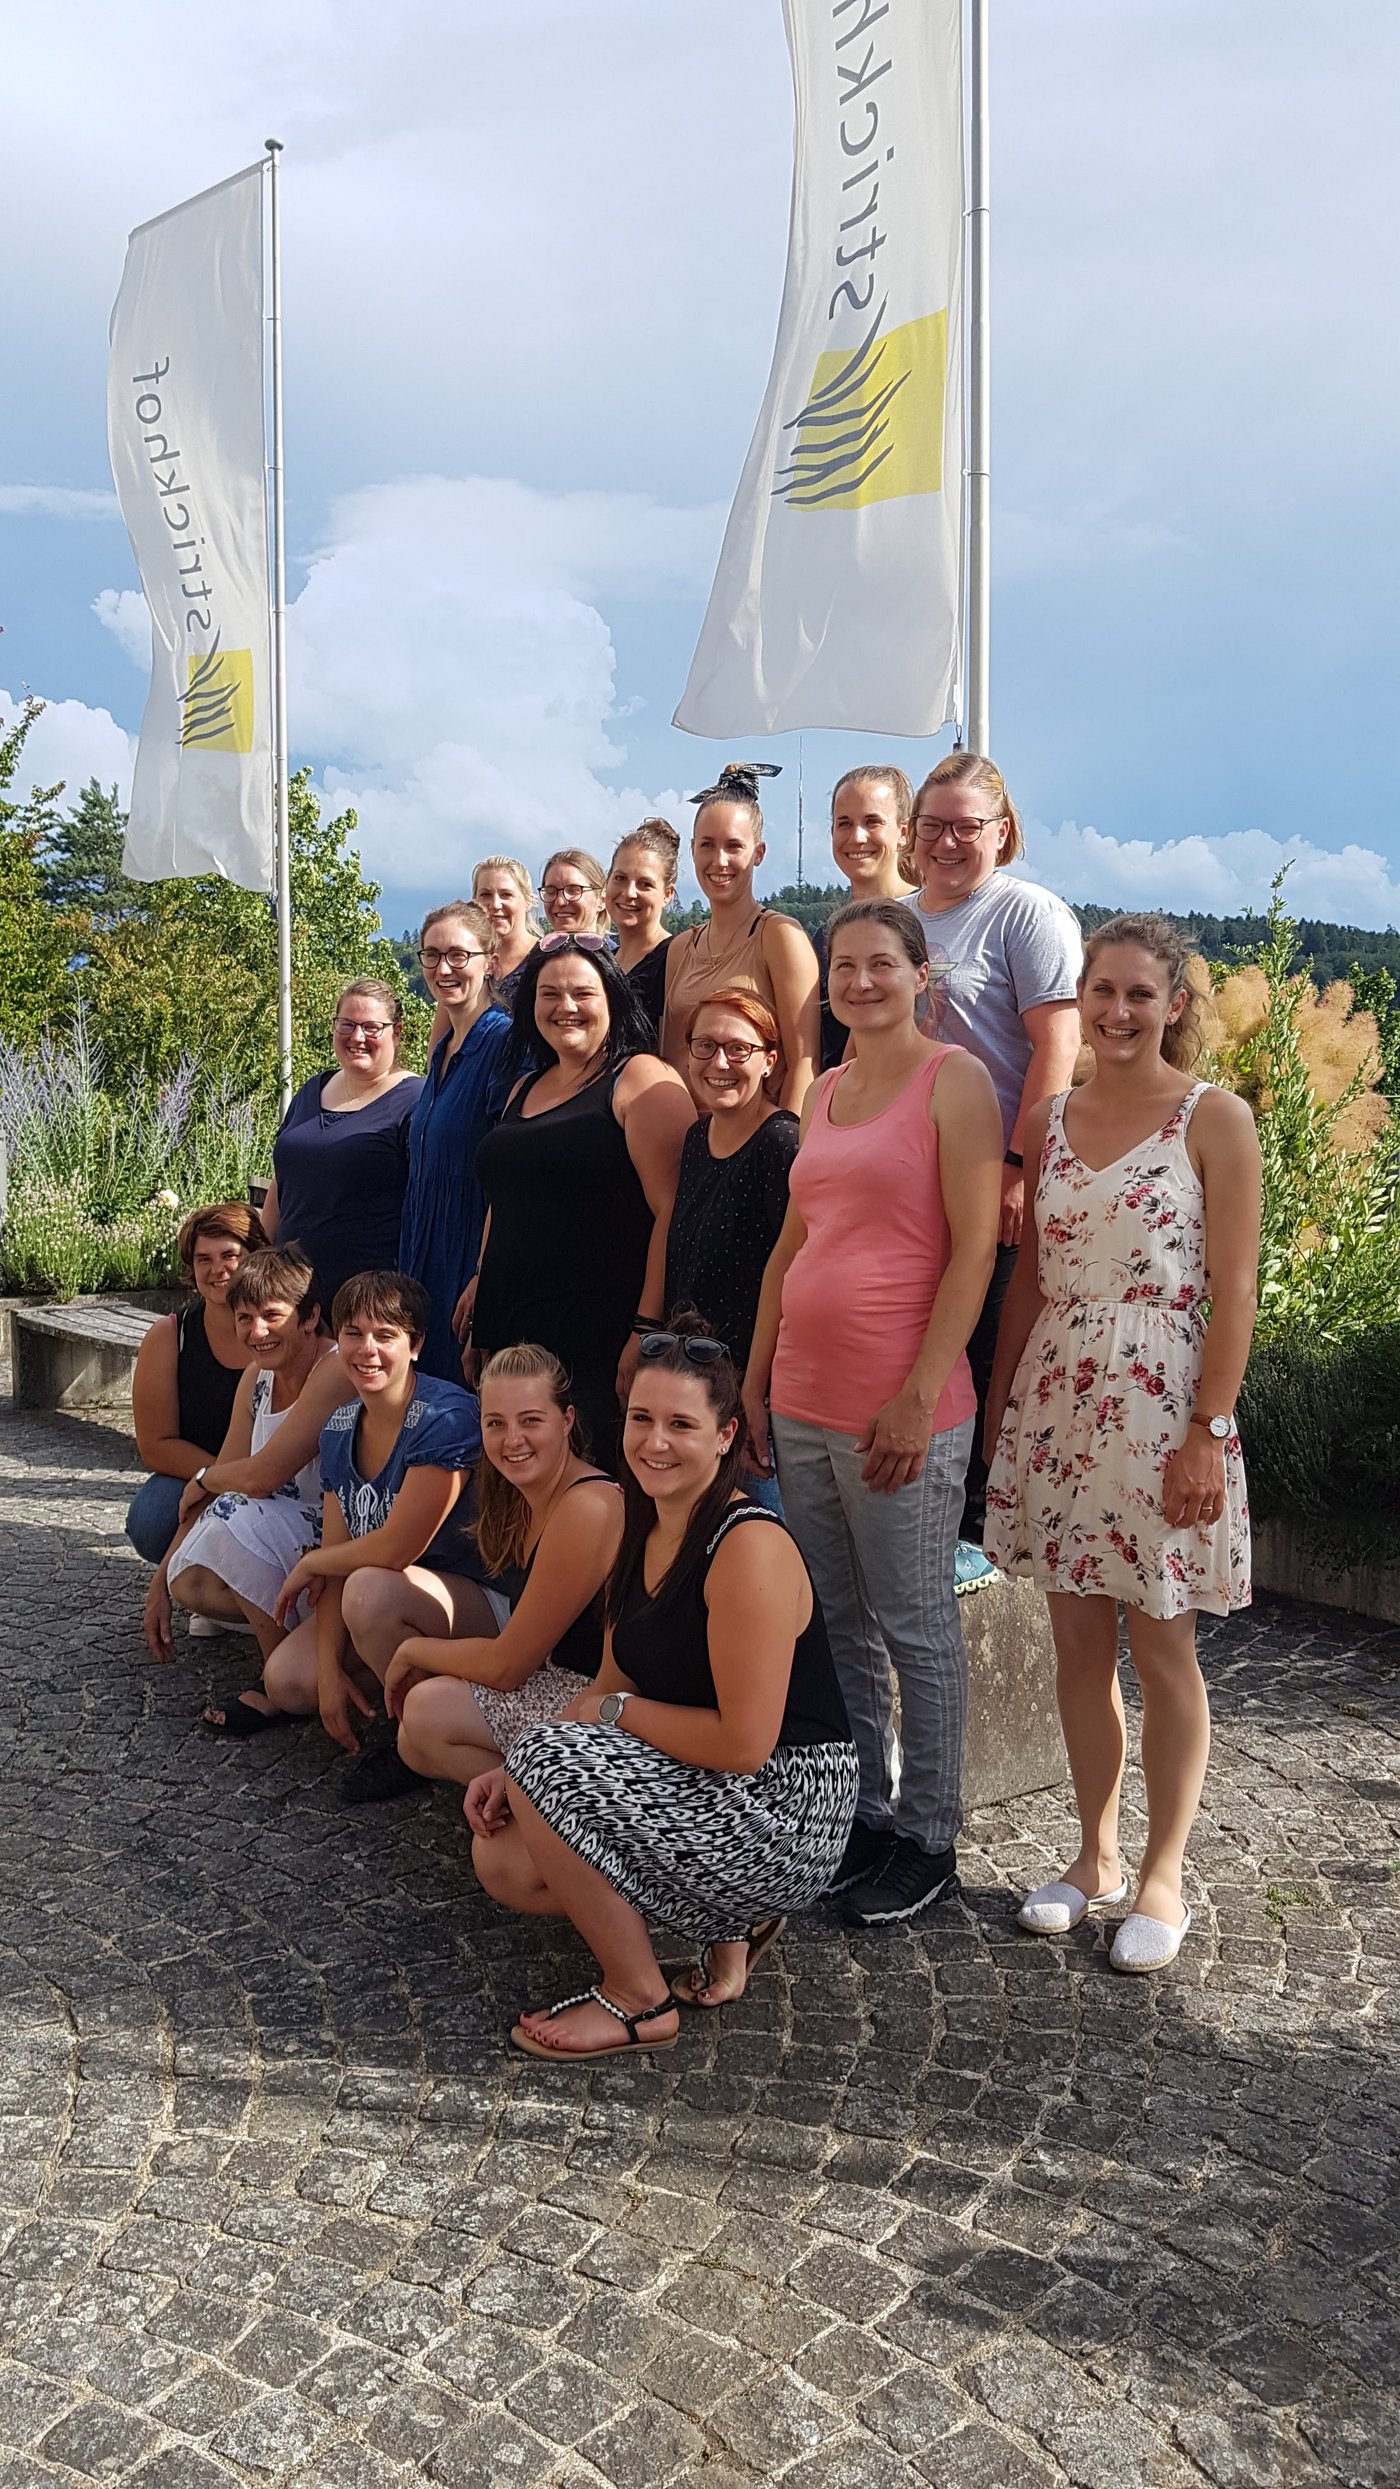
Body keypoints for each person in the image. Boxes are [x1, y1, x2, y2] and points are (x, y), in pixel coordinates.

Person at [984, 914, 1259, 1975]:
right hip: (1058, 1402)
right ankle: (1090, 1852)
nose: (1115, 1011)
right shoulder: (1047, 1120)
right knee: (1075, 1643)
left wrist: (1207, 1430)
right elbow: (1029, 1280)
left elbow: (1232, 1289)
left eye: (1139, 993)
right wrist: (1001, 1413)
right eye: (1100, 990)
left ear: (1173, 1002)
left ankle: (1161, 1872)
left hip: (1164, 1412)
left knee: (1162, 1646)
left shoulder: (1211, 1117)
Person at [467, 1319, 858, 2062]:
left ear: (725, 1434)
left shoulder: (748, 1545)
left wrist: (596, 1726)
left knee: (546, 1758)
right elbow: (611, 1679)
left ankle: (637, 1996)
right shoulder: (642, 1528)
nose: (655, 1441)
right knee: (504, 1858)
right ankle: (729, 1921)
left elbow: (742, 1744)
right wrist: (513, 1772)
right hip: (709, 1778)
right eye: (642, 1419)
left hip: (788, 1807)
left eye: (682, 1423)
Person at [744, 902, 1003, 1928]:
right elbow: (787, 1247)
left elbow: (974, 1249)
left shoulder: (956, 1082)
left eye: (878, 963)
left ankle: (928, 1835)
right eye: (842, 965)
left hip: (904, 1405)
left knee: (912, 1622)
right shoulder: (827, 1090)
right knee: (836, 1619)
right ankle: (864, 1811)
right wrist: (761, 1376)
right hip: (803, 1397)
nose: (857, 981)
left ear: (918, 973)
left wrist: (914, 1392)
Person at [903, 754, 1083, 1584]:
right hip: (911, 1177)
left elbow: (1058, 1042)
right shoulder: (900, 920)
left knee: (980, 1347)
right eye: (931, 825)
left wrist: (1018, 1164)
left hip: (992, 1172)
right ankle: (920, 1511)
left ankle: (971, 1526)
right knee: (916, 1336)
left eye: (964, 826)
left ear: (1001, 832)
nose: (946, 841)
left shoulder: (1024, 913)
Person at [212, 1272, 486, 1749]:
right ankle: (393, 1695)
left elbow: (397, 1547)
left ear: (416, 1344)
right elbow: (339, 1554)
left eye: (385, 1336)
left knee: (367, 1590)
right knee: (287, 1681)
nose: (367, 1350)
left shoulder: (445, 1417)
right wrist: (326, 1675)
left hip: (471, 1599)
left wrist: (313, 1561)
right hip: (386, 1596)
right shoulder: (340, 1425)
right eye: (353, 1334)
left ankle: (420, 1734)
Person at [467, 936, 694, 1468]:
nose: (565, 1007)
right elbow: (506, 1196)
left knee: (592, 1487)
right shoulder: (523, 1085)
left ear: (611, 999)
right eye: (549, 994)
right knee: (519, 1485)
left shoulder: (641, 1080)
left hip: (595, 1337)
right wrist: (482, 1288)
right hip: (512, 1330)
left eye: (581, 993)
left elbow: (673, 1213)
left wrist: (646, 1329)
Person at [363, 1343, 625, 1791]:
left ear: (567, 1420)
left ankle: (536, 1808)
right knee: (415, 1738)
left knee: (425, 1714)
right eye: (495, 1424)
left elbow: (510, 1666)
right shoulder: (521, 1492)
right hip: (556, 1676)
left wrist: (412, 1652)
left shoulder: (587, 1506)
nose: (512, 1440)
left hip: (602, 1701)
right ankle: (526, 1799)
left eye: (531, 1421)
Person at [163, 1249, 341, 1668]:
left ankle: (277, 1664)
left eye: (271, 1316)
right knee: (188, 1582)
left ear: (310, 1317)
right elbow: (229, 1468)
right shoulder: (257, 1376)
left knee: (234, 1510)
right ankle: (290, 1634)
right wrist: (158, 1585)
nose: (257, 1331)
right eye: (245, 1318)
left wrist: (204, 1480)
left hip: (334, 1536)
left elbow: (261, 1477)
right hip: (278, 1528)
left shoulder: (334, 1369)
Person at [661, 763, 819, 1113]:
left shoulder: (779, 936)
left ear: (758, 853)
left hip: (758, 1140)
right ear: (692, 850)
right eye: (707, 845)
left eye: (734, 846)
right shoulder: (680, 948)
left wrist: (788, 1153)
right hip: (690, 1141)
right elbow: (672, 1060)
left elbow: (803, 1064)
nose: (720, 860)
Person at [398, 901, 511, 1382]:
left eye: (459, 955)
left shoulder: (504, 1042)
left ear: (491, 962)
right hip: (421, 1261)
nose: (444, 968)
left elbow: (511, 1173)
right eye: (432, 955)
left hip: (465, 1265)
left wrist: (483, 1275)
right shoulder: (442, 1049)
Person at [262, 981, 422, 1319]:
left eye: (371, 1027)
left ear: (397, 1033)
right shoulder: (310, 1090)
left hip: (364, 1305)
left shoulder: (416, 1101)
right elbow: (283, 1182)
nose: (357, 1037)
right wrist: (262, 1261)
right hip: (292, 1298)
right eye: (346, 1025)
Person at [126, 1200, 266, 1576]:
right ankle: (197, 1575)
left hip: (274, 1473)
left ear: (254, 1257)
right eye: (203, 1259)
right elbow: (156, 1445)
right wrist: (222, 1477)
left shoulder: (279, 1331)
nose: (217, 1270)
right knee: (151, 1518)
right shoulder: (171, 1336)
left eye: (229, 1255)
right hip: (202, 1470)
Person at [665, 990, 798, 1381]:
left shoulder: (782, 1143)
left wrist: (754, 1384)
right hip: (688, 1366)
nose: (719, 1062)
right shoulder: (695, 1137)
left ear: (769, 1062)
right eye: (705, 1046)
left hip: (748, 1375)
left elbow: (791, 1272)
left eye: (739, 1049)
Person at [815, 766, 918, 1069]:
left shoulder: (928, 921)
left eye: (872, 822)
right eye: (844, 823)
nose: (857, 837)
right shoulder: (826, 936)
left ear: (903, 832)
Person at [606, 820, 679, 1042]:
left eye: (645, 884)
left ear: (667, 894)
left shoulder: (676, 961)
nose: (629, 893)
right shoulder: (601, 962)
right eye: (620, 878)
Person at [472, 854, 542, 1005]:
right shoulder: (467, 961)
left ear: (528, 901)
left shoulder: (547, 960)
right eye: (485, 895)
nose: (495, 904)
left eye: (506, 895)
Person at [539, 848, 610, 940]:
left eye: (573, 890)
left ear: (602, 900)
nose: (560, 902)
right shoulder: (533, 954)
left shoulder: (618, 954)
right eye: (551, 892)